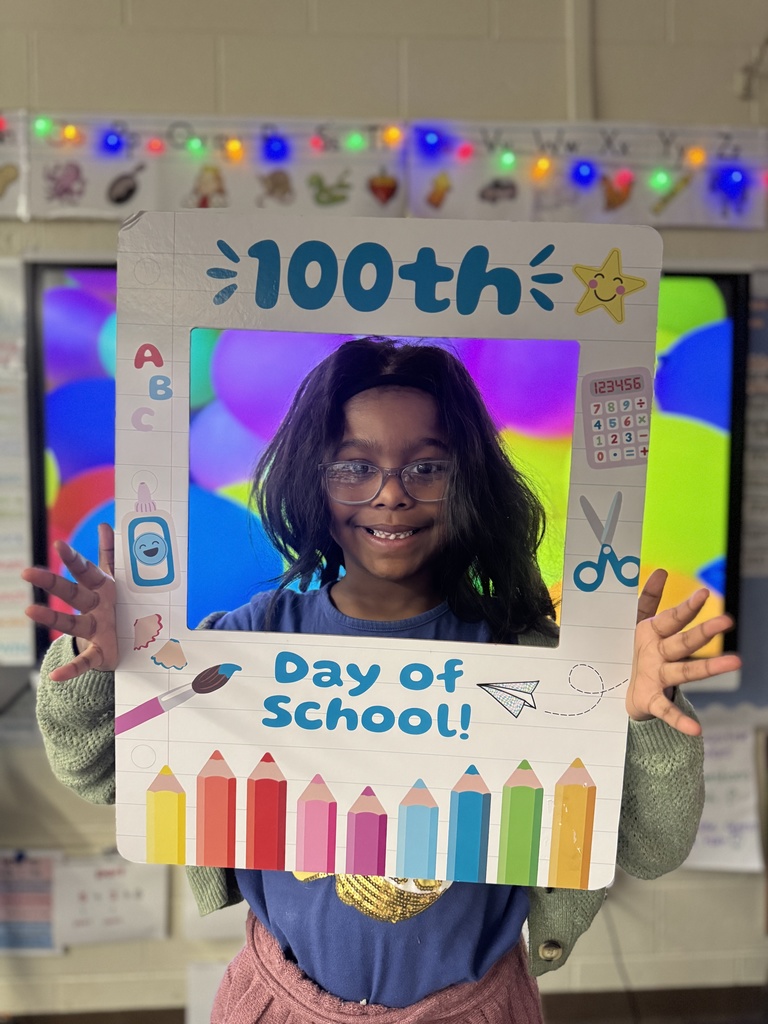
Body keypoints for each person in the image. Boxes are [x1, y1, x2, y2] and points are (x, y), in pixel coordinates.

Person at [25, 338, 740, 1024]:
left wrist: (641, 715)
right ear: (314, 479)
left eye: (427, 467)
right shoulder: (246, 641)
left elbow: (652, 846)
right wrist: (95, 665)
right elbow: (98, 772)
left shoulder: (534, 658)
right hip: (281, 1006)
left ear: (467, 482)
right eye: (353, 466)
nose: (391, 495)